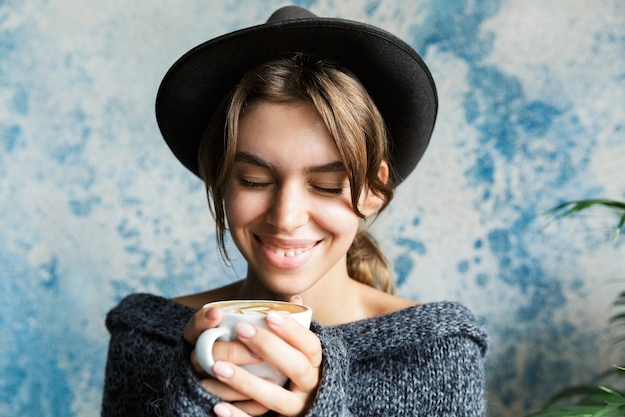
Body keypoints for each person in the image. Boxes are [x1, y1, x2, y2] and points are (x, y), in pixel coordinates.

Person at [102, 5, 488, 417]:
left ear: (374, 189)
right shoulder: (149, 340)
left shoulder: (434, 353)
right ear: (220, 179)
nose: (286, 217)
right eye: (254, 180)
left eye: (326, 186)